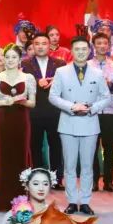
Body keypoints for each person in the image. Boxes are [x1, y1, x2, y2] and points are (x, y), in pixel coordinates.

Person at [48, 35, 113, 216]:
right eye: (77, 49)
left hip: (90, 123)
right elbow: (53, 96)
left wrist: (92, 108)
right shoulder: (61, 72)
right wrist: (71, 106)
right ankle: (71, 201)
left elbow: (106, 97)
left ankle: (85, 201)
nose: (81, 52)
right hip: (68, 123)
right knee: (69, 165)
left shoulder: (97, 73)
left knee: (87, 165)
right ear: (72, 51)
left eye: (84, 49)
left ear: (89, 50)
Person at [0, 45, 36, 212]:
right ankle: (2, 202)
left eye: (14, 57)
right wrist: (4, 102)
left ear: (20, 59)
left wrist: (23, 101)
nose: (10, 60)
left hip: (21, 120)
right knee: (3, 156)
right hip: (3, 120)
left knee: (21, 156)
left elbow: (32, 103)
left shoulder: (28, 78)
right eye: (7, 57)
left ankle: (22, 201)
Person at [21, 32, 66, 189]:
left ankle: (56, 179)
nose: (40, 47)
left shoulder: (60, 64)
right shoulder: (25, 64)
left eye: (44, 43)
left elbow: (66, 86)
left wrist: (57, 81)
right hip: (33, 111)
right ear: (33, 46)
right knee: (35, 146)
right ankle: (37, 178)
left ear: (49, 46)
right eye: (37, 43)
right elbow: (21, 85)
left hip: (55, 111)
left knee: (56, 146)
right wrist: (35, 81)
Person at [89, 33, 113, 193]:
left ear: (109, 46)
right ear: (94, 45)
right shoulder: (87, 65)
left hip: (110, 110)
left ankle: (108, 181)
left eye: (105, 43)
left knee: (109, 148)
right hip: (93, 111)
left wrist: (110, 85)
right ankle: (94, 181)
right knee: (92, 148)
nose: (102, 46)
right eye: (99, 43)